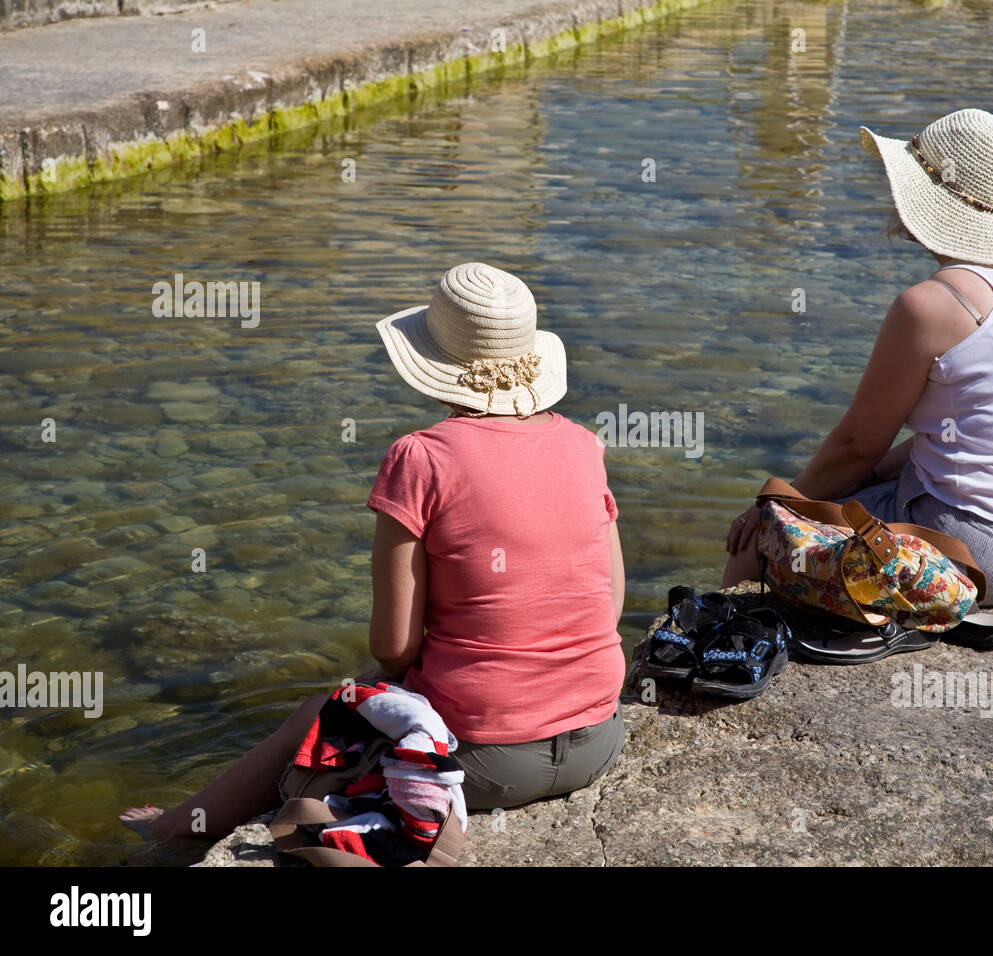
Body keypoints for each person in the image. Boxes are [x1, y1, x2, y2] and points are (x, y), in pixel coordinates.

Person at [121, 262, 625, 843]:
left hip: (484, 762)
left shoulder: (421, 458)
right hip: (599, 740)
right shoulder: (585, 445)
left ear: (435, 366)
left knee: (316, 715)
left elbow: (393, 647)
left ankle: (172, 832)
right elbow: (607, 607)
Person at [723, 108, 993, 608]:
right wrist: (874, 472)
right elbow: (992, 429)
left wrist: (778, 503)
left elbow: (855, 448)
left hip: (985, 553)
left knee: (762, 535)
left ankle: (719, 639)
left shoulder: (931, 305)